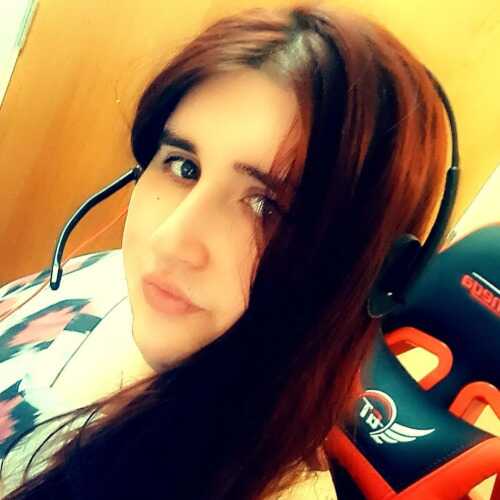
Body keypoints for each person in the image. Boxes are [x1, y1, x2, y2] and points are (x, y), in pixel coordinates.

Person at [0, 1, 449, 498]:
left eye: (266, 205)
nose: (169, 241)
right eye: (183, 167)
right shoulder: (97, 278)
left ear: (368, 272)